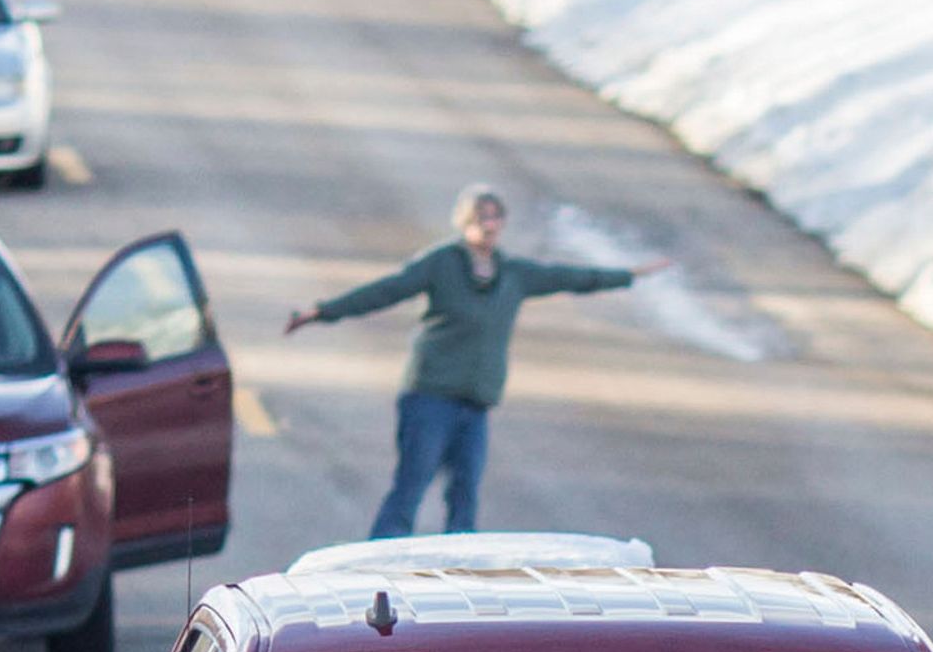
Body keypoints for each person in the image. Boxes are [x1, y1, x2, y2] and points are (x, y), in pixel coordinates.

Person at [285, 187, 670, 539]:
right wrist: (321, 312)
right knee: (412, 484)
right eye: (479, 218)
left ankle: (459, 573)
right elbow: (386, 291)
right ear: (464, 224)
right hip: (430, 397)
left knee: (465, 493)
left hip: (476, 404)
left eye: (494, 218)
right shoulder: (441, 264)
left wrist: (629, 276)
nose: (488, 226)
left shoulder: (514, 274)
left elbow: (570, 277)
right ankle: (378, 564)